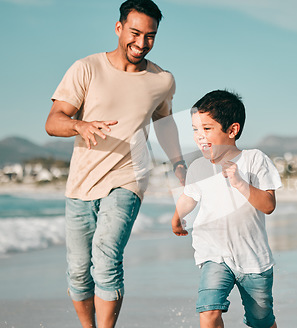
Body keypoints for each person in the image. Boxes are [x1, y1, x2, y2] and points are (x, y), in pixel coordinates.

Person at [45, 0, 186, 327]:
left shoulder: (162, 80)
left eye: (150, 36)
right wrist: (79, 125)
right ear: (119, 28)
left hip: (129, 178)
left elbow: (165, 123)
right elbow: (53, 121)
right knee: (79, 270)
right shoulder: (87, 68)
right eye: (135, 33)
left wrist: (178, 161)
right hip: (82, 181)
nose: (141, 43)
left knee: (106, 256)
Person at [171, 90, 281, 328]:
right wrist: (177, 217)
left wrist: (241, 183)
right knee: (208, 311)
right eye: (195, 130)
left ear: (232, 130)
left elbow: (268, 205)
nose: (200, 136)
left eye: (207, 129)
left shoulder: (254, 159)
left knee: (261, 321)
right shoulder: (198, 167)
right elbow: (189, 198)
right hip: (214, 255)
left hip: (253, 259)